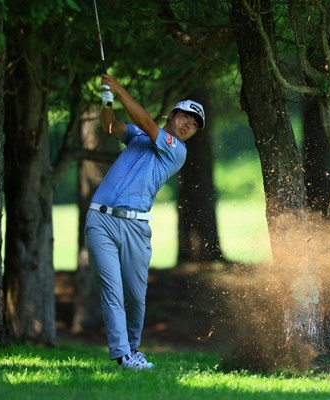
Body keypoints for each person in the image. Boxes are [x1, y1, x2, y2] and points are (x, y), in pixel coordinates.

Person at [85, 74, 205, 370]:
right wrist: (107, 100)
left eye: (194, 125)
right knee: (112, 290)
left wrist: (119, 88)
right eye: (185, 117)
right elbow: (111, 126)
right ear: (173, 115)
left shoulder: (177, 151)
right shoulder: (138, 135)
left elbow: (149, 125)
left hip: (136, 228)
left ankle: (133, 349)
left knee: (136, 298)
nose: (188, 125)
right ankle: (123, 356)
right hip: (100, 219)